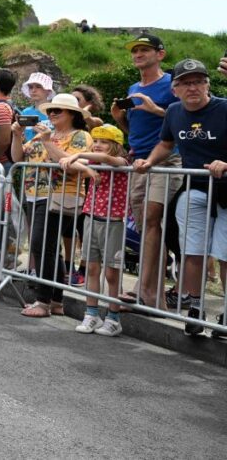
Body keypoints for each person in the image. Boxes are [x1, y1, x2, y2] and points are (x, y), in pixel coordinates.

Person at [135, 59, 226, 336]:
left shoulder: (224, 108)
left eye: (198, 81)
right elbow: (166, 143)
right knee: (192, 251)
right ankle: (195, 307)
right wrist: (149, 161)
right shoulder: (174, 112)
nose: (192, 88)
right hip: (195, 187)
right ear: (175, 90)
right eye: (185, 83)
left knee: (225, 255)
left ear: (208, 85)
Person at [112, 34, 183, 309]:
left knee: (153, 220)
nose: (138, 54)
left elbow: (186, 118)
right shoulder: (133, 87)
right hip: (139, 162)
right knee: (146, 226)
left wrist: (156, 110)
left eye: (144, 49)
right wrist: (120, 119)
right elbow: (136, 130)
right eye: (135, 50)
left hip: (166, 160)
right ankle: (152, 294)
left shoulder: (172, 84)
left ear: (160, 54)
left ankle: (146, 291)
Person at [19, 93, 92, 317]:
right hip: (34, 194)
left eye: (57, 110)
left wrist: (48, 142)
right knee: (49, 248)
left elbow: (73, 165)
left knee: (41, 245)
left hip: (59, 194)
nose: (51, 114)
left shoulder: (80, 136)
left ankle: (43, 302)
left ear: (72, 114)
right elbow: (18, 156)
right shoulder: (43, 134)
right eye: (50, 110)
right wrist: (16, 135)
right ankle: (56, 301)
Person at [60, 124, 130, 337]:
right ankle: (91, 314)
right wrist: (86, 168)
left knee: (111, 272)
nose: (98, 145)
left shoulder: (122, 161)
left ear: (116, 145)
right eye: (96, 141)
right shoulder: (93, 163)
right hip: (91, 217)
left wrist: (79, 154)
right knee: (91, 268)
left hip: (113, 222)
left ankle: (113, 317)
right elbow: (68, 162)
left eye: (104, 142)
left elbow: (108, 159)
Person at [20, 71, 56, 140]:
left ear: (48, 91)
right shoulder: (26, 112)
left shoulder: (56, 112)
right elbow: (22, 136)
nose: (33, 90)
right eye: (30, 87)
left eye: (38, 86)